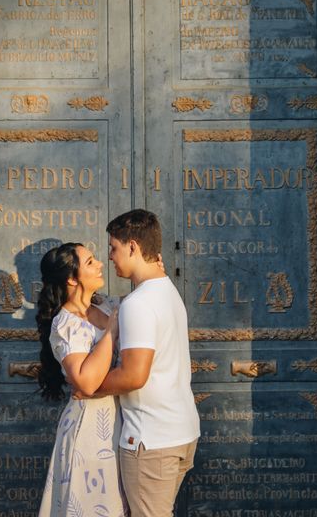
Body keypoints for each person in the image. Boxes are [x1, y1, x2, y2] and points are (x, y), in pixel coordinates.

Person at [94, 209, 201, 517]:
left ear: (133, 247)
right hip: (181, 433)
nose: (110, 257)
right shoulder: (167, 290)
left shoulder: (139, 304)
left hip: (151, 441)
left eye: (114, 248)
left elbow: (133, 375)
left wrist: (89, 384)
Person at [35, 242, 129, 517]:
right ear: (72, 278)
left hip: (122, 423)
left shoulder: (106, 303)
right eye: (90, 262)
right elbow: (86, 383)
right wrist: (111, 331)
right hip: (90, 433)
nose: (100, 264)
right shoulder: (66, 323)